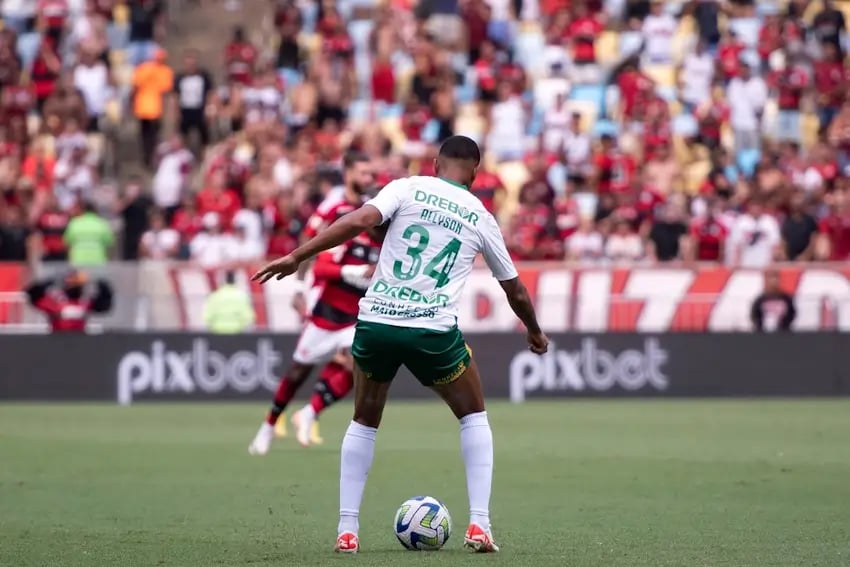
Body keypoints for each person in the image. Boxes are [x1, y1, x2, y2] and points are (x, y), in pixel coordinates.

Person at [252, 136, 548, 554]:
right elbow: (514, 290)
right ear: (475, 174)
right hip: (432, 332)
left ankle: (347, 531)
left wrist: (297, 256)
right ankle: (479, 525)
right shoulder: (480, 216)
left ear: (436, 163)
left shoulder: (407, 187)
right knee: (473, 415)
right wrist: (534, 331)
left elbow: (356, 220)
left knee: (364, 420)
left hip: (376, 323)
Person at [25, 269, 113, 332]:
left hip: (79, 340)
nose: (74, 286)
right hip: (57, 339)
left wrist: (104, 289)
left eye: (77, 284)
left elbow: (105, 306)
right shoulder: (56, 301)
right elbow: (32, 295)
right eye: (72, 283)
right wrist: (47, 282)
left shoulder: (86, 301)